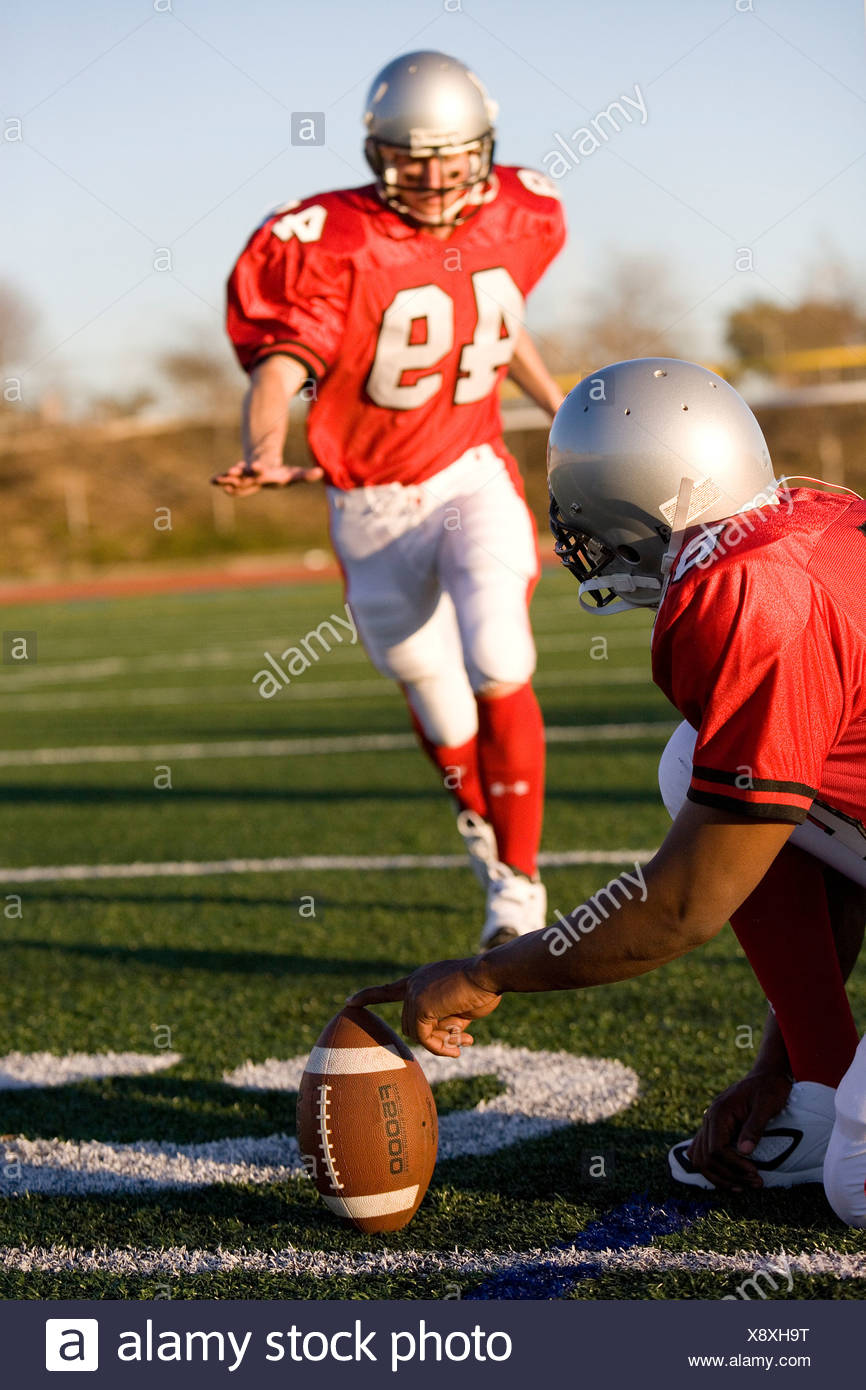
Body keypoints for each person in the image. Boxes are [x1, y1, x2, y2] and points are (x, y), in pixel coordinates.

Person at [351, 356, 866, 1228]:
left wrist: (488, 973)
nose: (574, 530)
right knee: (694, 762)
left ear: (639, 496)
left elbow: (682, 907)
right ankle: (824, 1084)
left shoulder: (745, 593)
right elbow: (832, 848)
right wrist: (787, 1067)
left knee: (859, 1192)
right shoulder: (810, 517)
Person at [215, 50, 566, 949]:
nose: (435, 174)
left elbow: (499, 323)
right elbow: (281, 364)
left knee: (500, 655)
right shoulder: (332, 239)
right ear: (378, 153)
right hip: (370, 501)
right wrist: (265, 445)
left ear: (484, 146)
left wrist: (565, 413)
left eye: (451, 154)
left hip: (471, 472)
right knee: (439, 699)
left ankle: (520, 887)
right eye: (412, 157)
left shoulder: (523, 212)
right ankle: (486, 836)